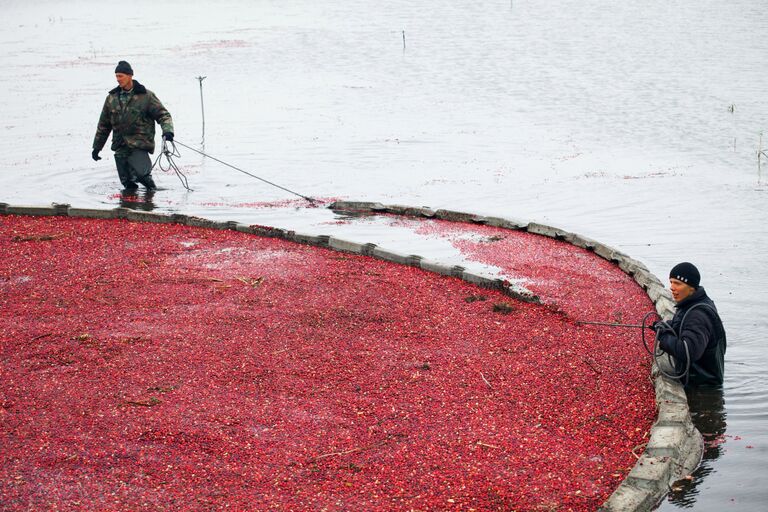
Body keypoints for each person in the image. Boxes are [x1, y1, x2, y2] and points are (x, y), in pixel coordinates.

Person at [92, 61, 174, 190]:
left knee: (142, 175)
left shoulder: (146, 96)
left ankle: (151, 198)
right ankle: (129, 207)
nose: (118, 79)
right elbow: (103, 125)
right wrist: (97, 147)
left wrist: (168, 131)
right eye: (116, 76)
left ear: (130, 76)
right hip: (120, 145)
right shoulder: (111, 98)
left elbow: (163, 115)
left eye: (121, 76)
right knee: (127, 183)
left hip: (139, 143)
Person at [654, 262, 726, 386]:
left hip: (702, 389)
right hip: (698, 382)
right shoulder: (692, 303)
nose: (672, 287)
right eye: (671, 282)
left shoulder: (698, 315)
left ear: (691, 287)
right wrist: (666, 327)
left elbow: (688, 352)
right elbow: (683, 326)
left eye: (677, 283)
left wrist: (664, 337)